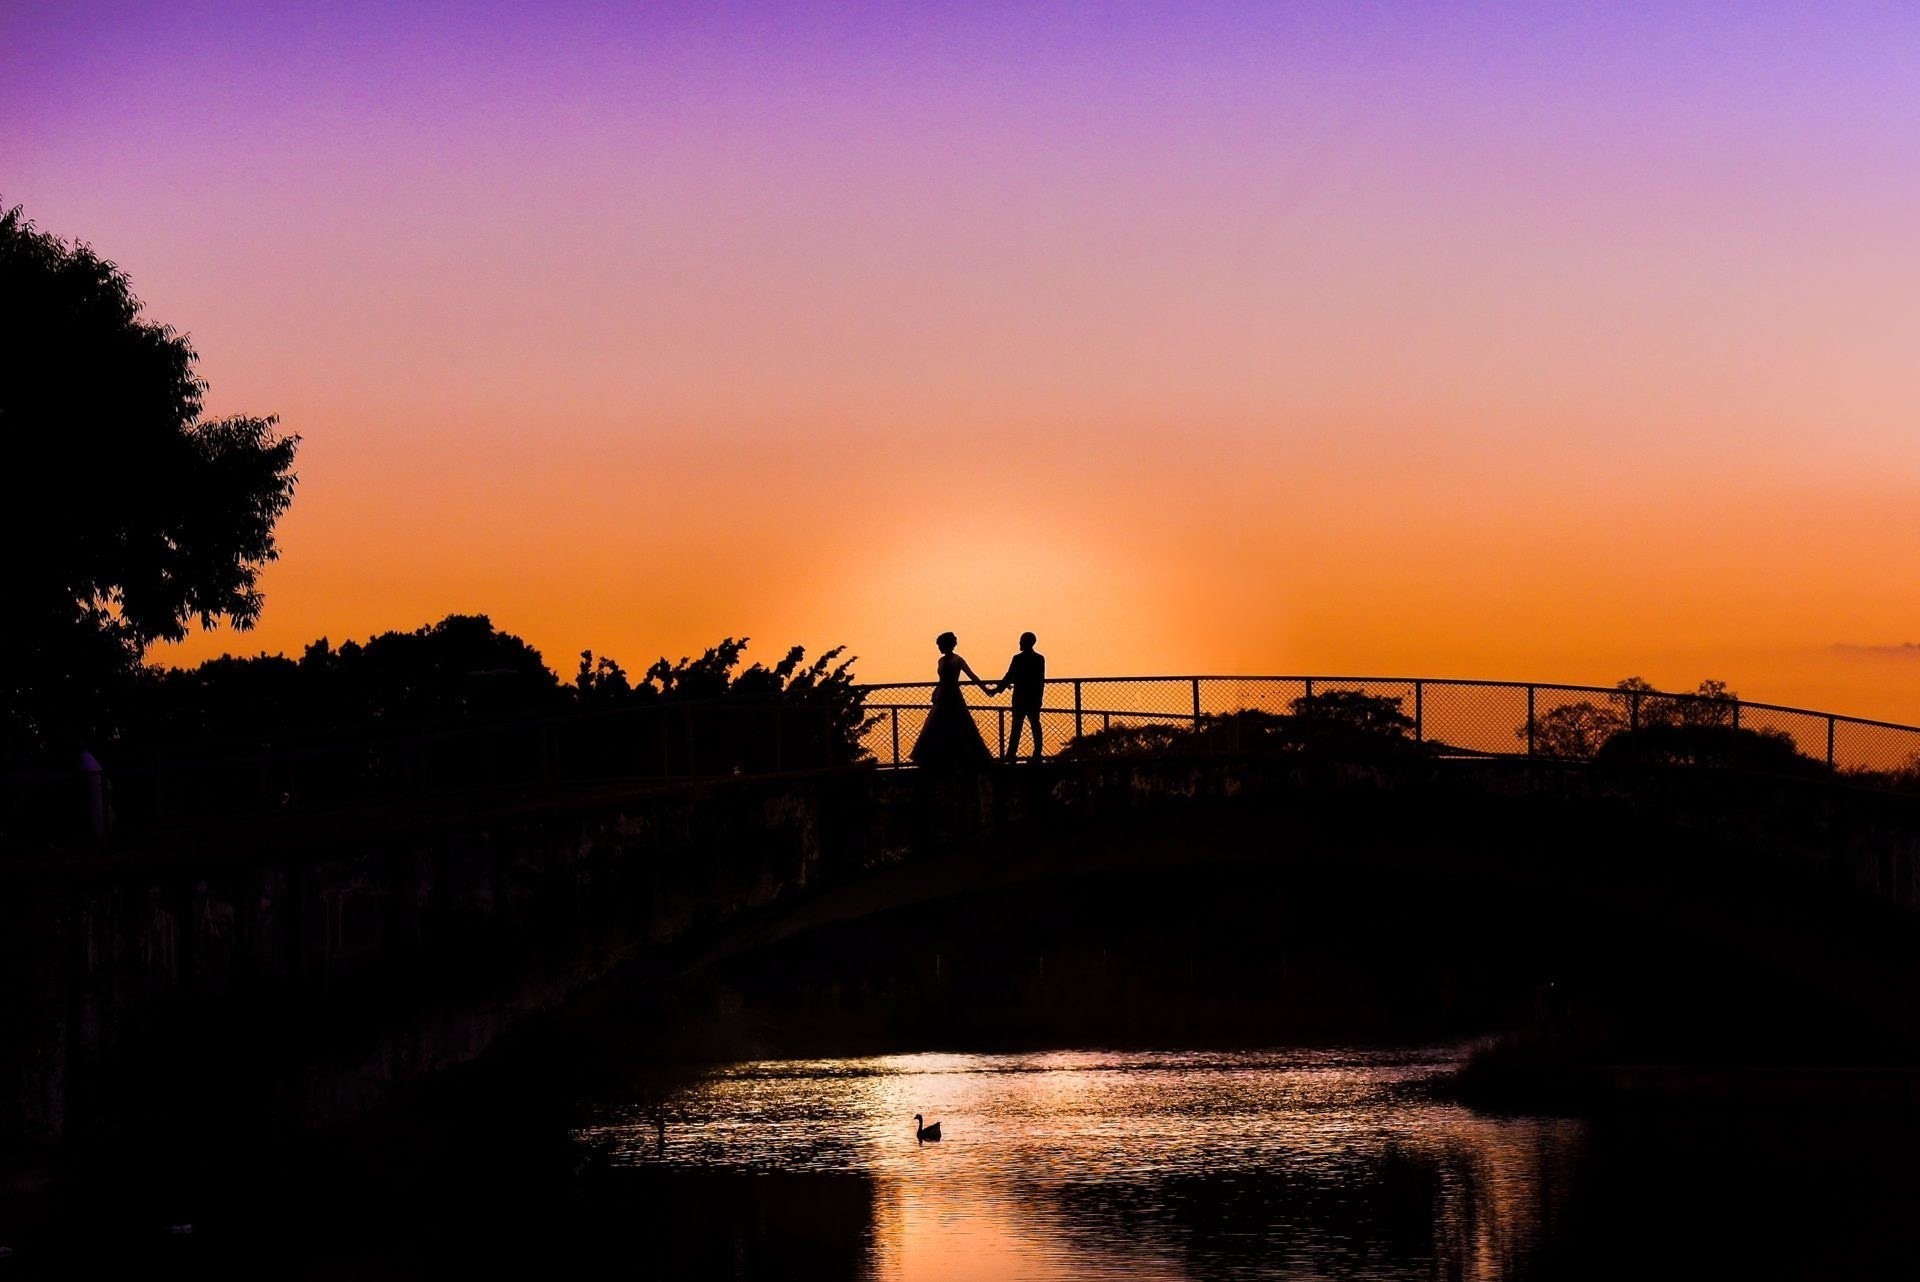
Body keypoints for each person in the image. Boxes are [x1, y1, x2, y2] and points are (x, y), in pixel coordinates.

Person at [909, 632, 994, 769]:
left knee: (959, 725)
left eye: (940, 645)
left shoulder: (957, 660)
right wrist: (935, 692)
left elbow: (972, 676)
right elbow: (941, 680)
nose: (939, 648)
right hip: (942, 696)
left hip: (954, 696)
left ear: (947, 645)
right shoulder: (941, 661)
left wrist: (985, 689)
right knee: (938, 726)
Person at [989, 632, 1046, 761]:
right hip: (1033, 697)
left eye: (1021, 640)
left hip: (1020, 697)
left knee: (1016, 726)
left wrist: (997, 689)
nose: (1019, 643)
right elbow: (1040, 680)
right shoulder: (1039, 658)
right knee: (1035, 725)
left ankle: (1011, 753)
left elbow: (1009, 675)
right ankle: (1037, 752)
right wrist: (1039, 698)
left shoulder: (1018, 659)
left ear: (1024, 642)